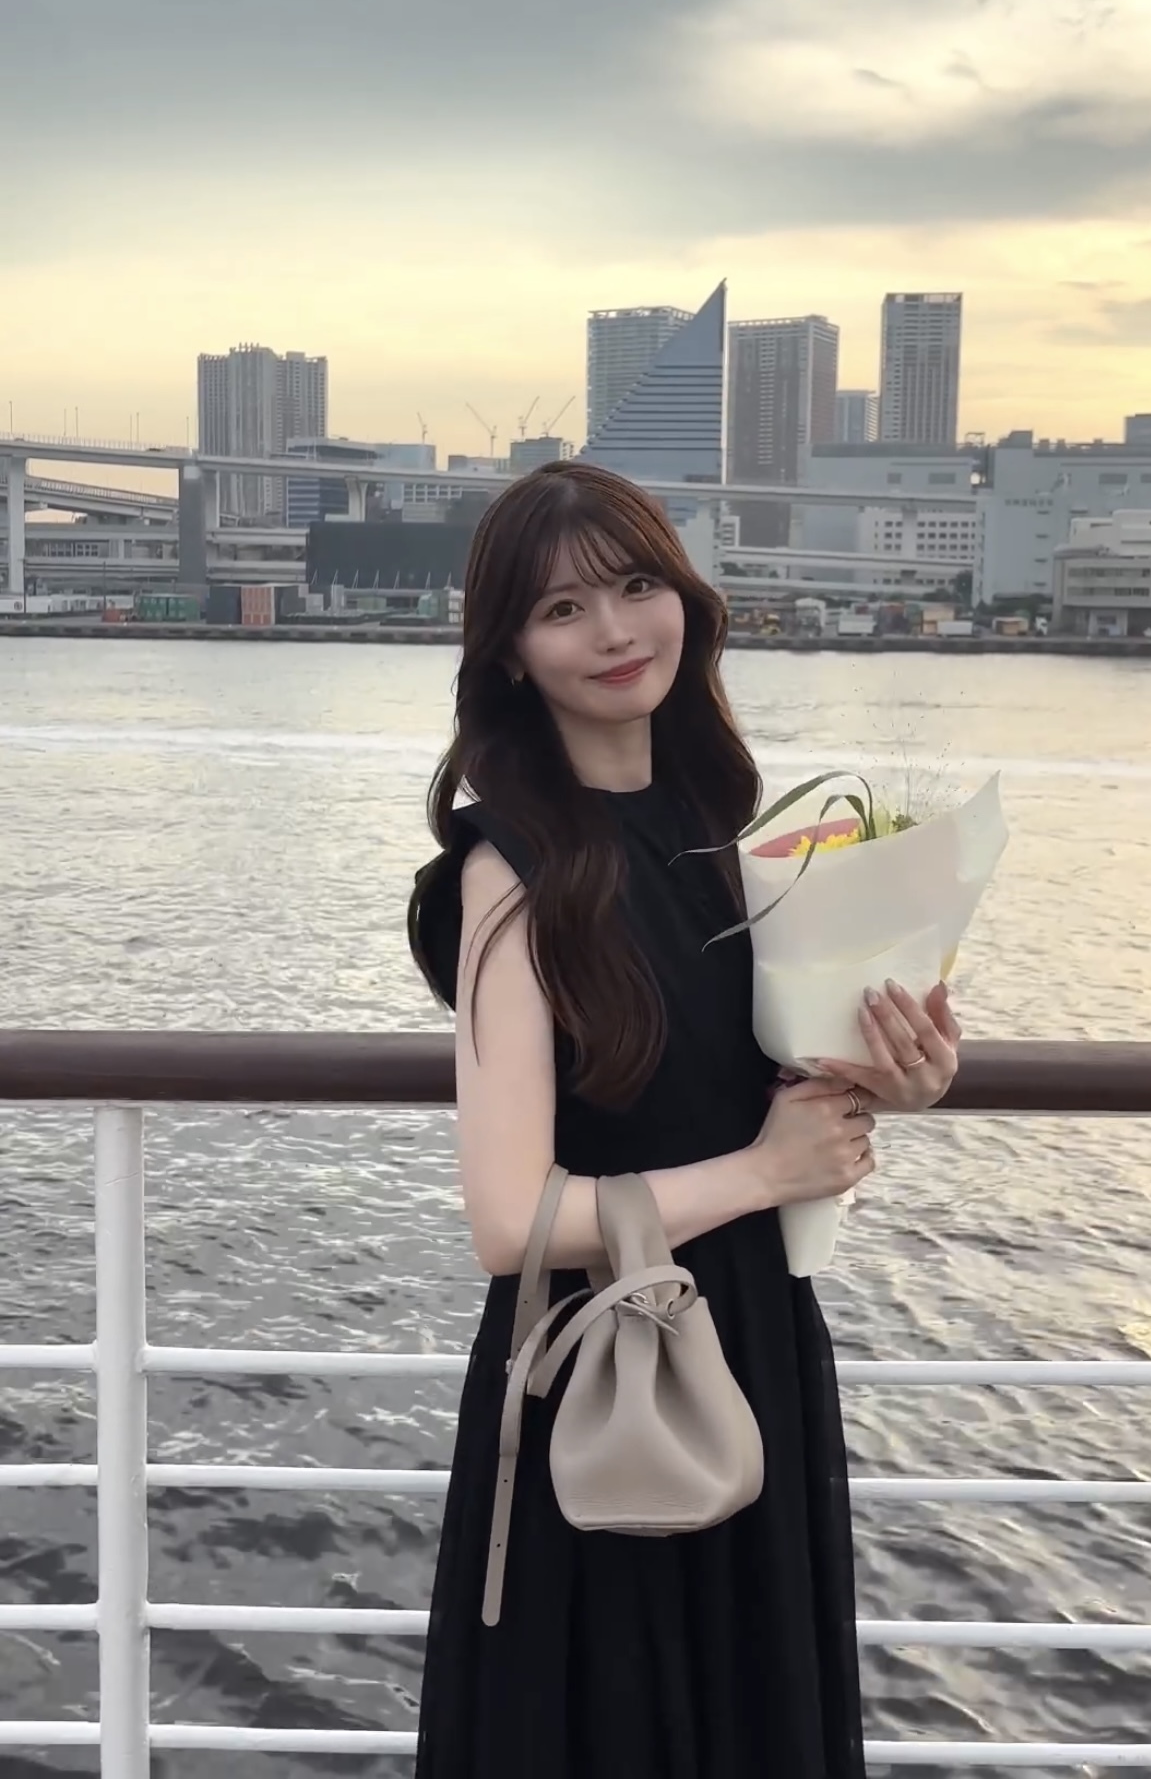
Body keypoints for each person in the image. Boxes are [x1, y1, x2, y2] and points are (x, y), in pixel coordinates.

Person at [407, 460, 960, 1779]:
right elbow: (509, 1223)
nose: (613, 632)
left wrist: (900, 1075)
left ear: (687, 602)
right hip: (604, 1372)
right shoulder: (509, 873)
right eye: (562, 610)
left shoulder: (734, 833)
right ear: (510, 654)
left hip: (756, 1339)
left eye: (636, 586)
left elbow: (768, 1083)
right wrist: (766, 1171)